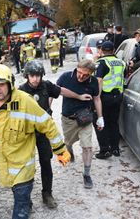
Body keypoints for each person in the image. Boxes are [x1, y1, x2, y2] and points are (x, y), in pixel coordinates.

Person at [0, 64, 71, 218]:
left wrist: (60, 150)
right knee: (17, 193)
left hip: (23, 165)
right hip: (5, 162)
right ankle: (26, 202)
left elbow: (47, 124)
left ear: (9, 83)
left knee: (20, 204)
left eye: (1, 84)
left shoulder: (25, 102)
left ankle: (35, 199)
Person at [18, 60, 92, 208]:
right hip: (27, 134)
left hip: (44, 132)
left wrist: (78, 96)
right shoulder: (20, 91)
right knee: (26, 166)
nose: (35, 79)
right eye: (32, 75)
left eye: (38, 75)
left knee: (46, 163)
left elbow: (61, 90)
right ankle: (25, 198)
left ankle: (47, 194)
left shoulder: (46, 86)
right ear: (27, 76)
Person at [56, 60, 104, 189]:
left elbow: (97, 99)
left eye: (86, 75)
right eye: (80, 72)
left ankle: (87, 174)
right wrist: (78, 96)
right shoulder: (65, 77)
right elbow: (57, 91)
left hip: (85, 119)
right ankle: (69, 150)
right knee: (68, 142)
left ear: (91, 74)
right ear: (76, 68)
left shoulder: (93, 82)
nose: (81, 76)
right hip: (68, 119)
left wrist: (100, 117)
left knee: (87, 147)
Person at [93, 41, 125, 159]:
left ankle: (105, 150)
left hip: (104, 97)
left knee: (100, 122)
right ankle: (115, 148)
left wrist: (97, 97)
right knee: (113, 122)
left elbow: (99, 80)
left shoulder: (102, 62)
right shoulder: (121, 62)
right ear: (113, 49)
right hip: (118, 96)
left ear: (101, 50)